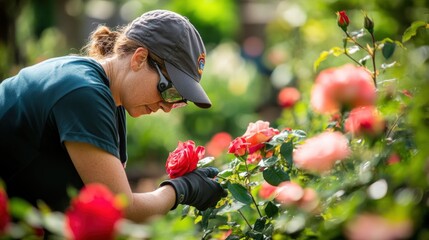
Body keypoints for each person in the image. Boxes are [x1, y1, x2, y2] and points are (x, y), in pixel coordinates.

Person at [0, 10, 227, 223]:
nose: (168, 106)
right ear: (139, 59)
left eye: (179, 100)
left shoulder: (109, 97)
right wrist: (181, 190)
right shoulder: (84, 93)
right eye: (171, 91)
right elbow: (121, 208)